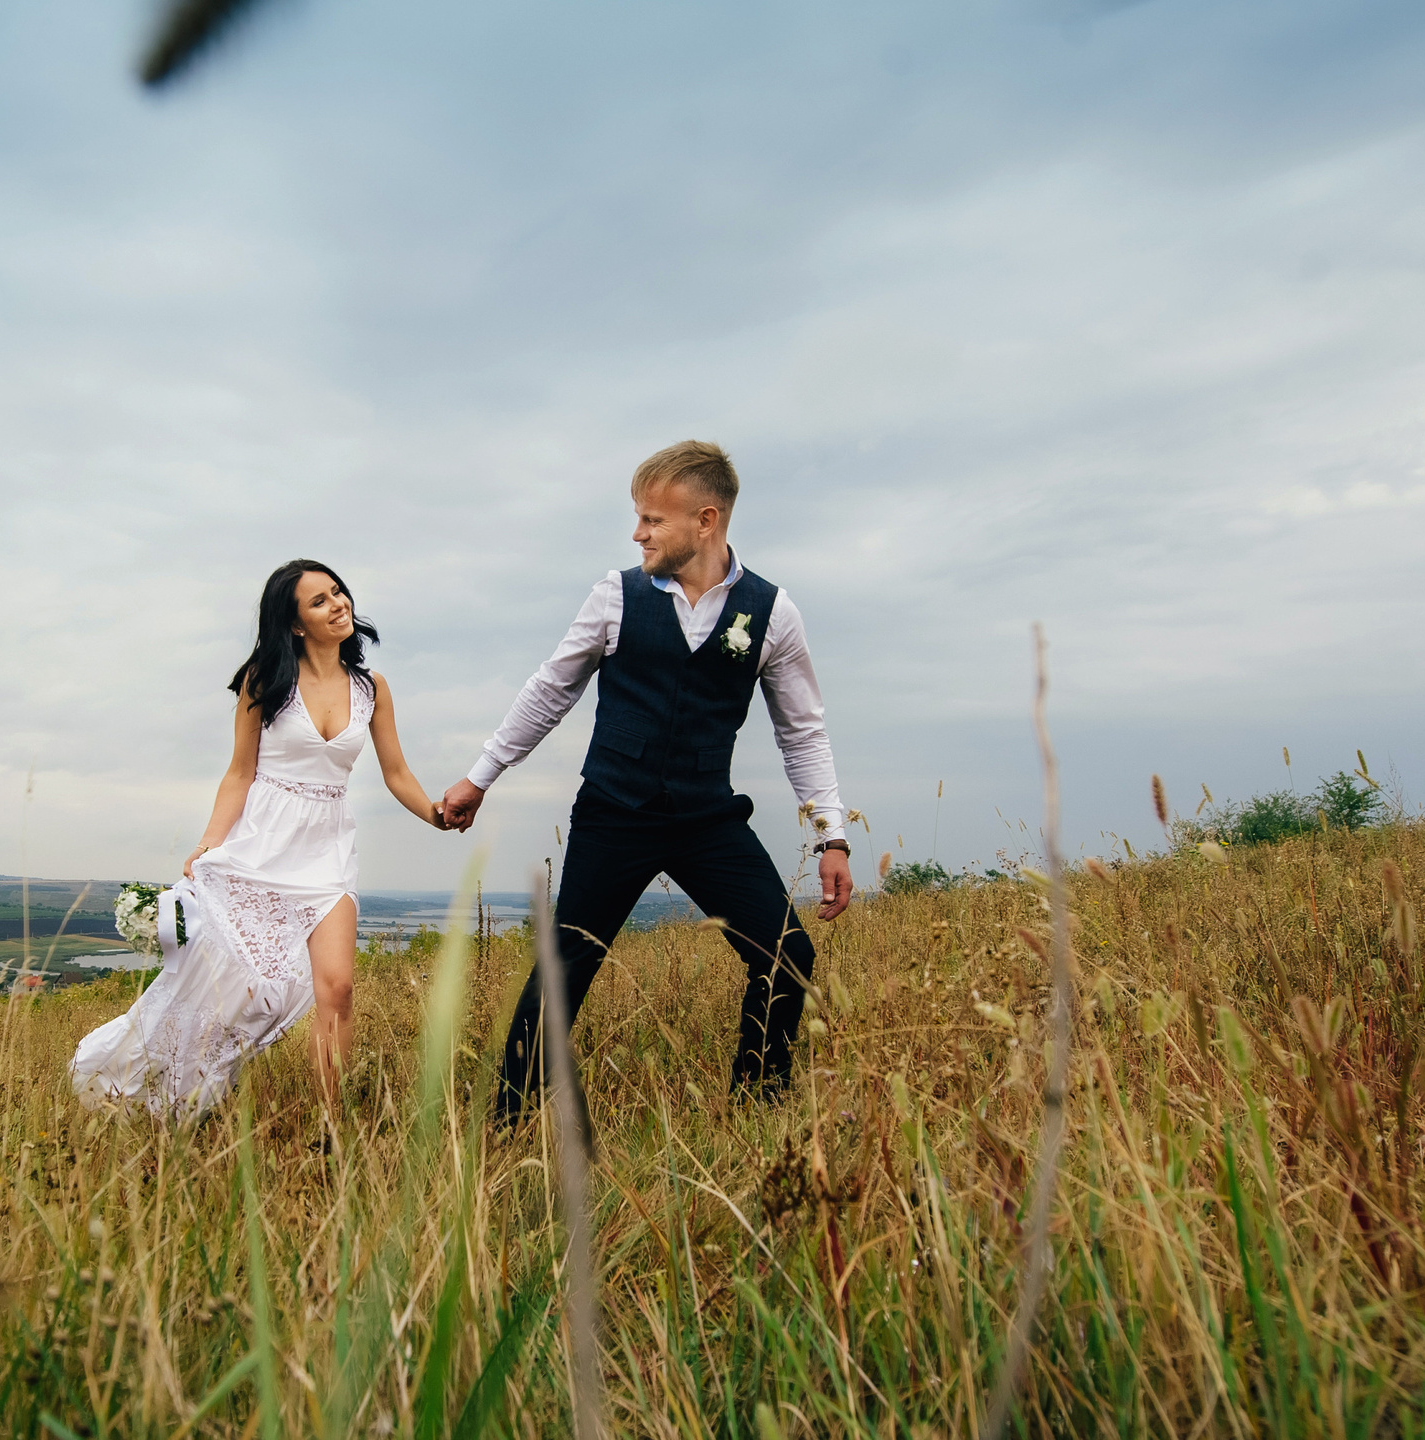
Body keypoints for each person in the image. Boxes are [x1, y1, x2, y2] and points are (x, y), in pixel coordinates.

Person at [437, 441, 852, 1121]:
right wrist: (481, 777)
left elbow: (802, 730)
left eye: (654, 520)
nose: (639, 533)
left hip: (706, 818)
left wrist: (831, 836)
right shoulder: (615, 595)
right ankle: (507, 1120)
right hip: (615, 811)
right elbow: (549, 692)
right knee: (566, 965)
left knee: (787, 954)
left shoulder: (772, 613)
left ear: (706, 521)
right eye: (639, 518)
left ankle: (755, 1111)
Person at [71, 559, 447, 1119]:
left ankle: (332, 1124)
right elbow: (239, 773)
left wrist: (437, 815)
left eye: (337, 591)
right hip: (260, 849)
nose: (338, 603)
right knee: (221, 990)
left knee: (338, 989)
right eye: (318, 601)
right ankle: (151, 1079)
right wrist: (208, 843)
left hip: (328, 856)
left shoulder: (371, 689)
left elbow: (396, 773)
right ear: (295, 624)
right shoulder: (264, 680)